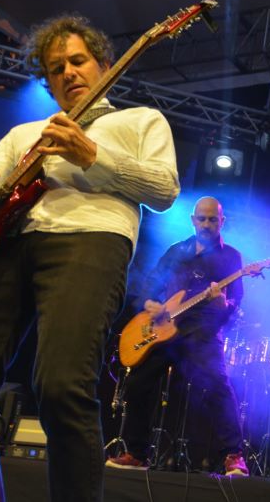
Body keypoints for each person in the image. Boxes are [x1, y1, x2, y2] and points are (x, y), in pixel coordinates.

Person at [0, 14, 180, 502]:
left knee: (63, 388)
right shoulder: (25, 134)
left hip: (91, 239)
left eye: (78, 61)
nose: (68, 72)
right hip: (8, 248)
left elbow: (165, 190)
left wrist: (92, 155)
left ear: (104, 63)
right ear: (46, 82)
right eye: (55, 68)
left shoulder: (140, 120)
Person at [105, 196, 248, 476]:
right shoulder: (176, 251)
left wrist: (223, 303)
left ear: (222, 221)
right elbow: (150, 283)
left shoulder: (231, 257)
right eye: (201, 219)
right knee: (137, 382)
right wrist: (149, 303)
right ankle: (137, 454)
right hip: (164, 327)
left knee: (216, 383)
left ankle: (234, 455)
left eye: (212, 219)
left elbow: (236, 301)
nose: (206, 224)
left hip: (202, 330)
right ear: (193, 220)